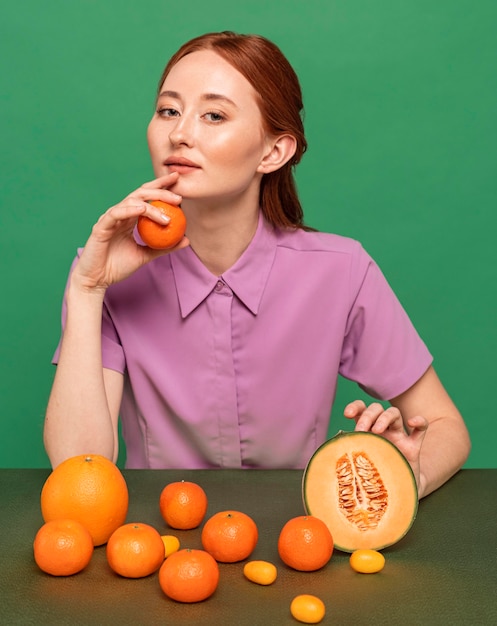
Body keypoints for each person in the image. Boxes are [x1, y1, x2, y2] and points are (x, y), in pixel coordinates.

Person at [44, 31, 470, 497]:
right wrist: (87, 290)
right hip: (162, 547)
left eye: (214, 115)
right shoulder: (103, 272)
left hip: (301, 544)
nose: (180, 133)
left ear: (274, 152)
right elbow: (78, 471)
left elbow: (445, 425)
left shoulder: (342, 270)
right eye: (169, 110)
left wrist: (408, 472)